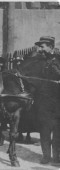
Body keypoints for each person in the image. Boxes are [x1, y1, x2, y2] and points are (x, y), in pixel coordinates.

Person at [34, 36, 60, 164]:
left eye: (43, 46)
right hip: (43, 101)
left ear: (51, 47)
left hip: (58, 101)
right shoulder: (39, 61)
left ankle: (57, 157)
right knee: (44, 130)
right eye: (40, 46)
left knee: (58, 131)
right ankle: (46, 156)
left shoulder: (59, 59)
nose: (41, 49)